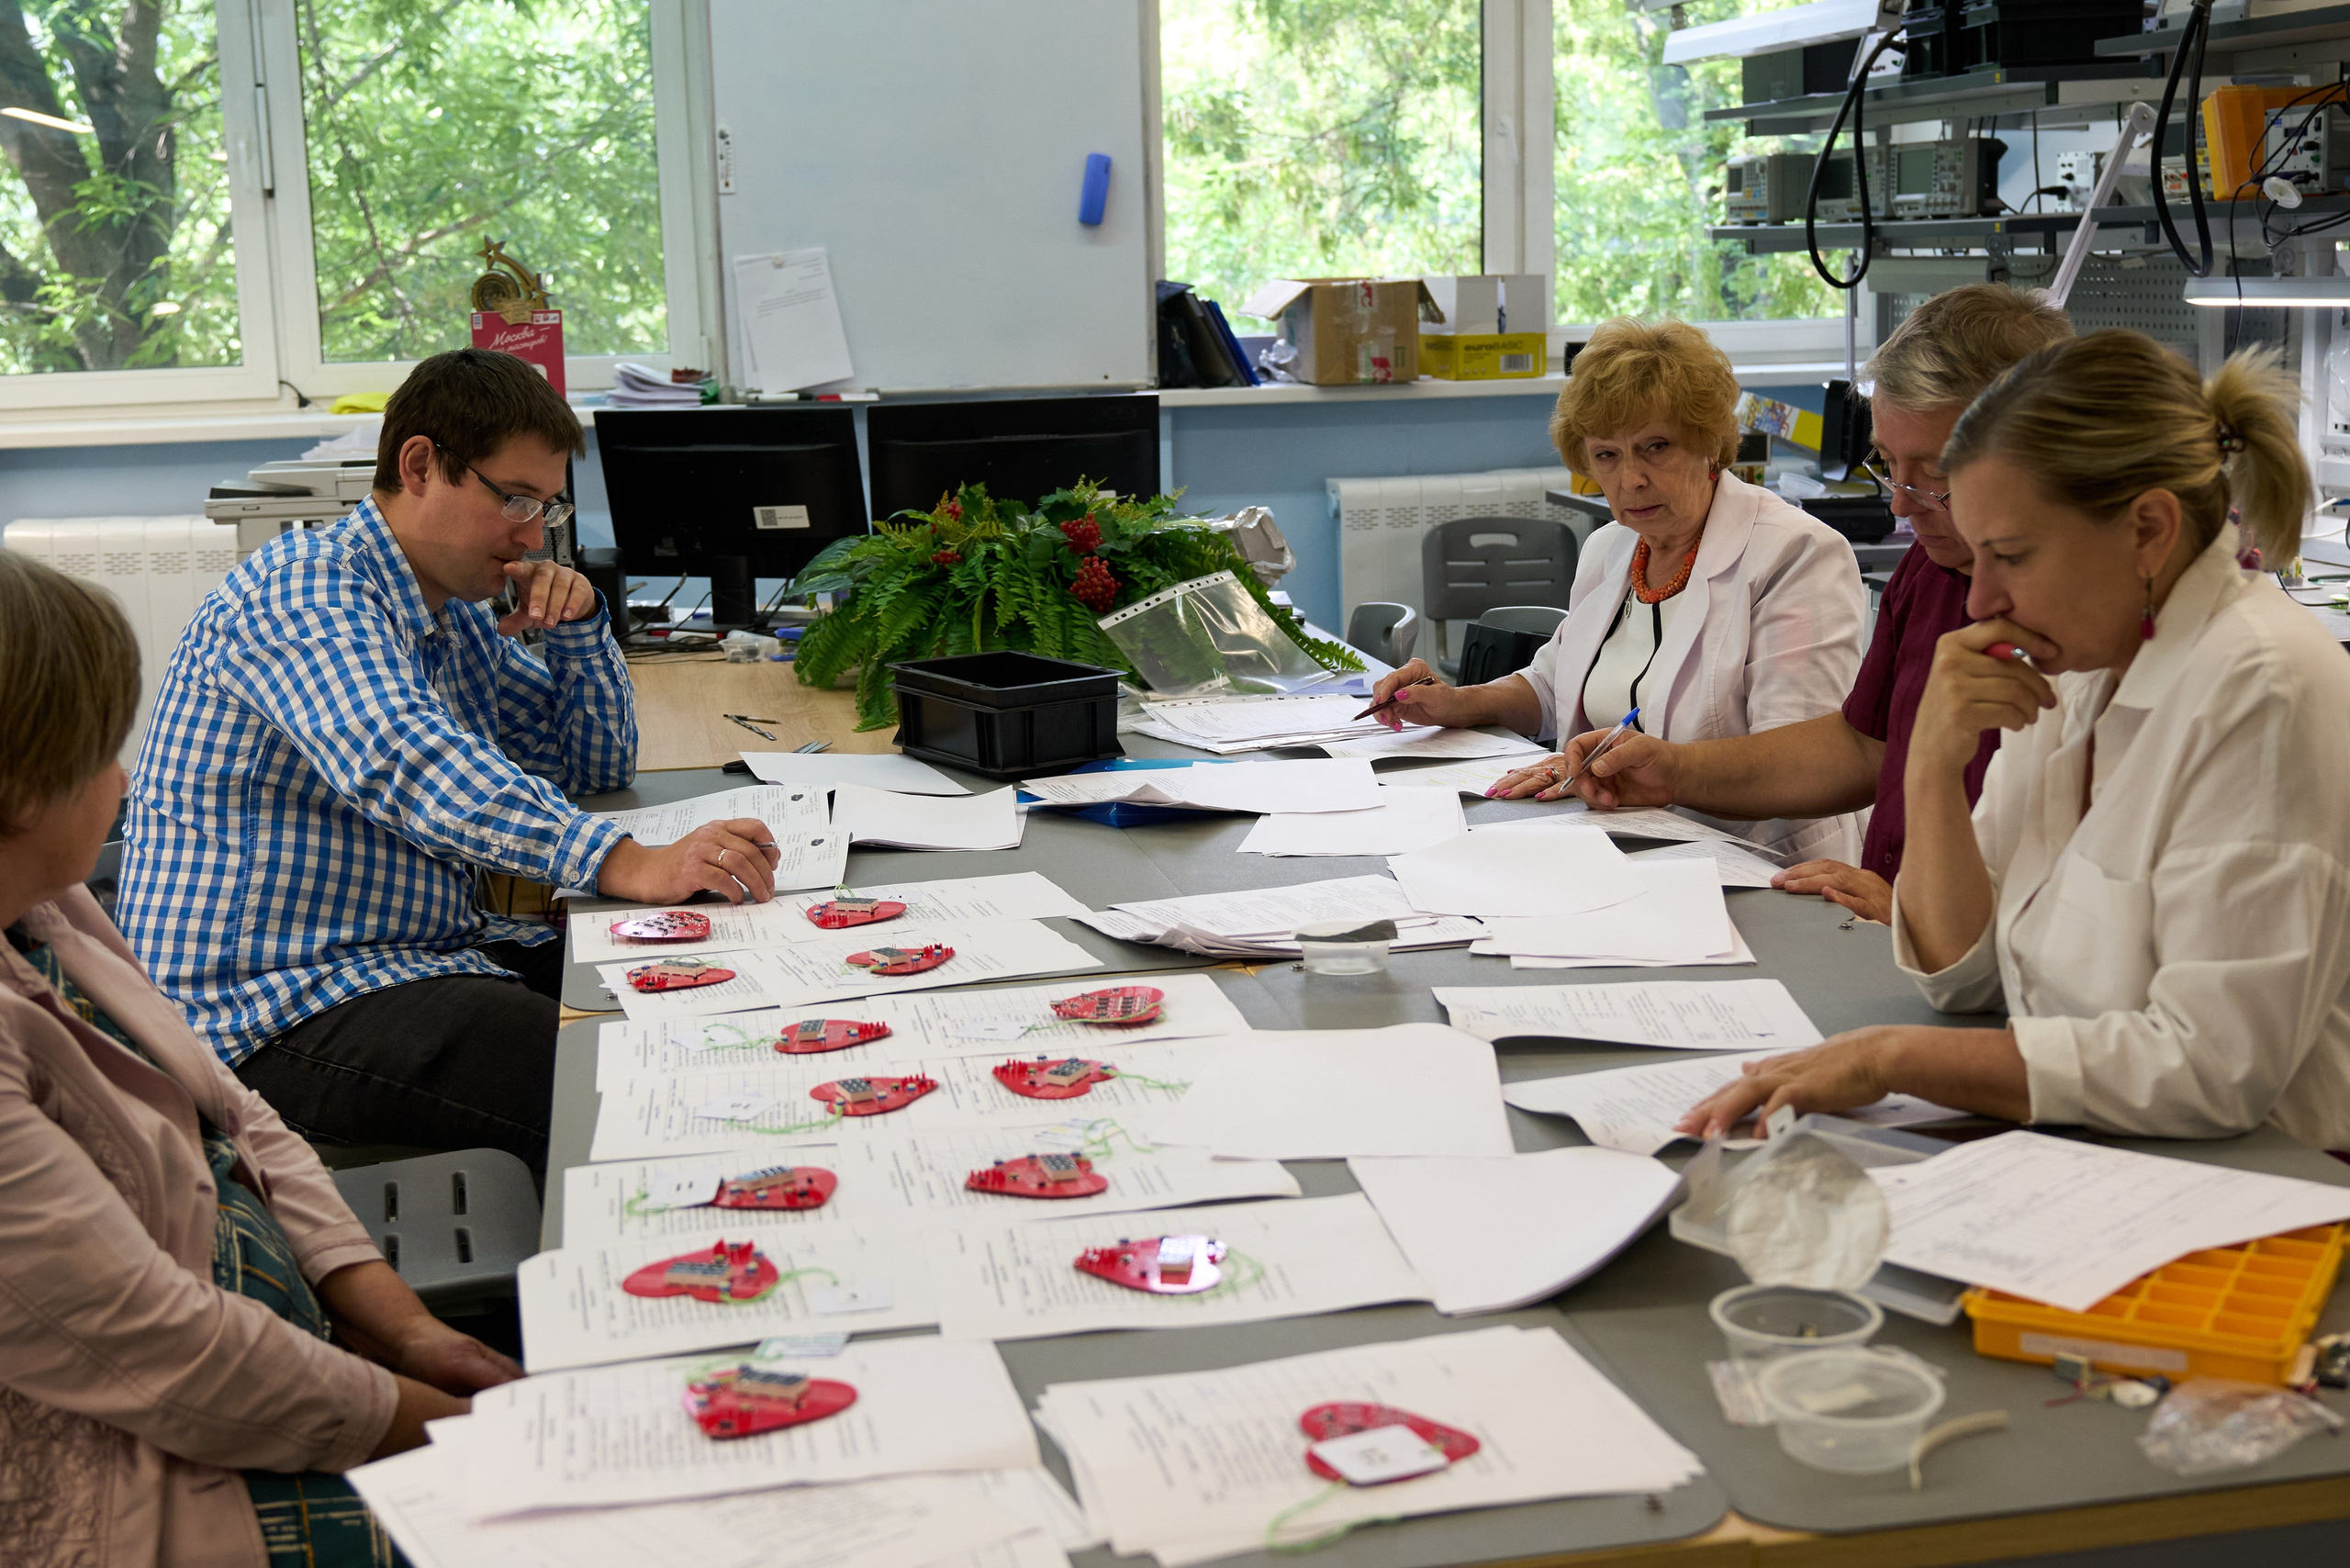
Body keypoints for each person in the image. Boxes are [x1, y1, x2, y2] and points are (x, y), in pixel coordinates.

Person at [117, 348, 783, 1173]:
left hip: (412, 957)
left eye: (547, 506)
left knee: (686, 981)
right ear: (422, 464)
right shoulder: (302, 593)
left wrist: (577, 633)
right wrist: (623, 860)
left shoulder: (451, 614)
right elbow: (408, 761)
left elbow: (590, 770)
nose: (533, 534)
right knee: (603, 1074)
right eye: (514, 498)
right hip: (267, 1007)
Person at [1684, 331, 2350, 1151]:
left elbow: (2209, 1064)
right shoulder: (2087, 649)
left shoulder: (2261, 685)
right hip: (2090, 1148)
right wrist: (1929, 759)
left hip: (2265, 1189)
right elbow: (1965, 973)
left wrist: (1900, 1059)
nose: (1979, 601)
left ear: (2147, 530)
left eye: (2012, 555)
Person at [0, 550, 520, 1567]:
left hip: (269, 1361)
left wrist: (402, 1323)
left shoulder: (46, 906)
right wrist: (460, 1430)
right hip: (148, 1484)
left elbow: (234, 1116)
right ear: (19, 790)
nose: (128, 781)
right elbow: (170, 1357)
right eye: (104, 754)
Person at [1541, 285, 2075, 922]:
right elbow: (1863, 745)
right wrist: (1673, 770)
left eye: (1931, 472)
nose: (1899, 505)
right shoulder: (1930, 571)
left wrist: (1932, 909)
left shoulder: (2091, 607)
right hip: (1895, 918)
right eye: (1888, 465)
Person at [1365, 317, 1867, 862]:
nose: (1630, 479)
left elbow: (1797, 767)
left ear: (1710, 444)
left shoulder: (1795, 555)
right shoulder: (1613, 547)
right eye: (1607, 454)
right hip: (1619, 845)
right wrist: (1455, 703)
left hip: (1758, 862)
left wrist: (1625, 766)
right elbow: (1552, 687)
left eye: (1655, 447)